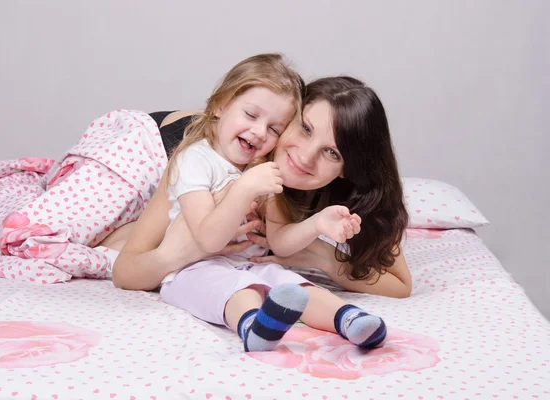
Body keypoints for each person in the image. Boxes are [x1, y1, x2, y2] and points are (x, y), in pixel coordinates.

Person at [103, 73, 411, 348]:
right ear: (291, 119)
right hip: (166, 134)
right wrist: (175, 253)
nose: (305, 156)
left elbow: (400, 284)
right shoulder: (218, 156)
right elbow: (126, 271)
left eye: (332, 152)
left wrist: (323, 258)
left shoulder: (354, 197)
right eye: (304, 128)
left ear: (350, 167)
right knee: (106, 224)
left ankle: (346, 319)